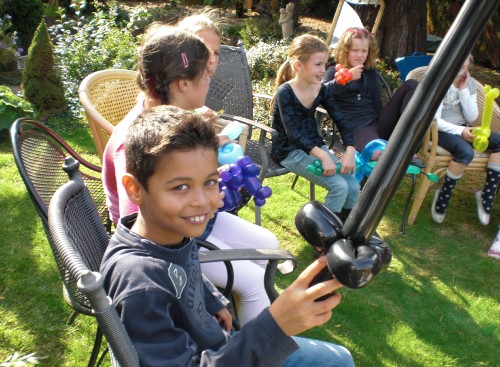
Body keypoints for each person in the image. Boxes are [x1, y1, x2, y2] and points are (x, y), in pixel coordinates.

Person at [100, 104, 354, 367]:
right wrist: (274, 327)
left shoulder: (170, 234)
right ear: (135, 189)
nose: (202, 201)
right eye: (181, 187)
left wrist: (212, 301)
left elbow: (188, 269)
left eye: (210, 182)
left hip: (219, 346)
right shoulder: (139, 285)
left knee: (340, 358)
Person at [102, 24, 280, 326]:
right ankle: (252, 345)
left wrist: (208, 184)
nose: (210, 84)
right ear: (184, 83)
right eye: (207, 77)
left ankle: (240, 323)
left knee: (270, 248)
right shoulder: (136, 140)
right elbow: (141, 229)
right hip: (164, 241)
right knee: (251, 284)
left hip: (192, 220)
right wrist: (201, 289)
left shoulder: (175, 119)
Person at [270, 34, 359, 220]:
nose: (323, 70)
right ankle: (324, 239)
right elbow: (293, 134)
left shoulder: (320, 89)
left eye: (325, 64)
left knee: (353, 186)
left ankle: (345, 230)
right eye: (318, 64)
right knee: (339, 186)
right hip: (289, 151)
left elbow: (341, 121)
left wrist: (350, 150)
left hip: (315, 147)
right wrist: (323, 155)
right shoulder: (285, 92)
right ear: (298, 65)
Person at [323, 27, 423, 166]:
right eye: (355, 50)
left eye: (364, 51)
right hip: (356, 127)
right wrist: (347, 78)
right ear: (345, 51)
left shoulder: (369, 72)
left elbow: (376, 103)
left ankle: (408, 137)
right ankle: (393, 152)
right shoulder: (333, 71)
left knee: (412, 85)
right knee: (377, 153)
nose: (360, 55)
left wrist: (388, 123)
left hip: (377, 122)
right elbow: (320, 92)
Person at [431, 54, 500, 225]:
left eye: (467, 57)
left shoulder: (469, 83)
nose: (463, 62)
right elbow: (436, 120)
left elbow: (472, 116)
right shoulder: (439, 81)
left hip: (464, 127)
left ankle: (485, 196)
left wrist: (463, 91)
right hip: (440, 130)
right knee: (465, 152)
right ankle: (443, 195)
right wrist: (461, 131)